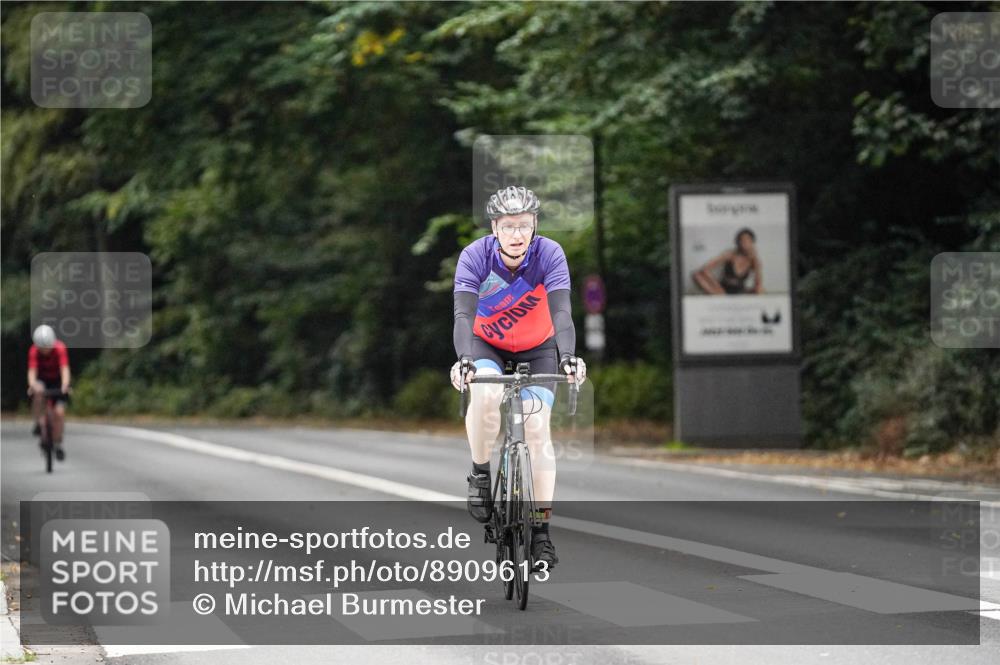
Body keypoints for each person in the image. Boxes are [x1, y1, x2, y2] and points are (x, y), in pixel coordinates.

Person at [449, 186, 586, 571]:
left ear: (535, 224)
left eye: (524, 225)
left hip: (538, 346)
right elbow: (463, 315)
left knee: (537, 428)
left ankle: (541, 533)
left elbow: (562, 313)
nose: (517, 234)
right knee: (485, 397)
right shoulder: (475, 256)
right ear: (495, 227)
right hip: (487, 345)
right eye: (508, 226)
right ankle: (480, 475)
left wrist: (569, 356)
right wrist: (464, 360)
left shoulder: (549, 254)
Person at [27, 324, 71, 460]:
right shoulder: (34, 351)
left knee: (59, 413)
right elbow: (32, 371)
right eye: (42, 348)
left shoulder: (60, 348)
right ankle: (39, 422)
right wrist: (32, 385)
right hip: (42, 380)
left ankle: (57, 443)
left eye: (47, 347)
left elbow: (64, 368)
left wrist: (65, 385)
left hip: (57, 381)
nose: (45, 350)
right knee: (38, 394)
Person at [691, 227, 764, 295]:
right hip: (722, 288)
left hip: (740, 290)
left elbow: (758, 283)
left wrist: (755, 258)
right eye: (742, 240)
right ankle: (721, 295)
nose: (745, 243)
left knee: (760, 290)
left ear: (752, 242)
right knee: (696, 275)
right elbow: (705, 268)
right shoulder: (730, 254)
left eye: (748, 240)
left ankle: (722, 297)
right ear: (738, 242)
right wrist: (717, 285)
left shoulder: (754, 259)